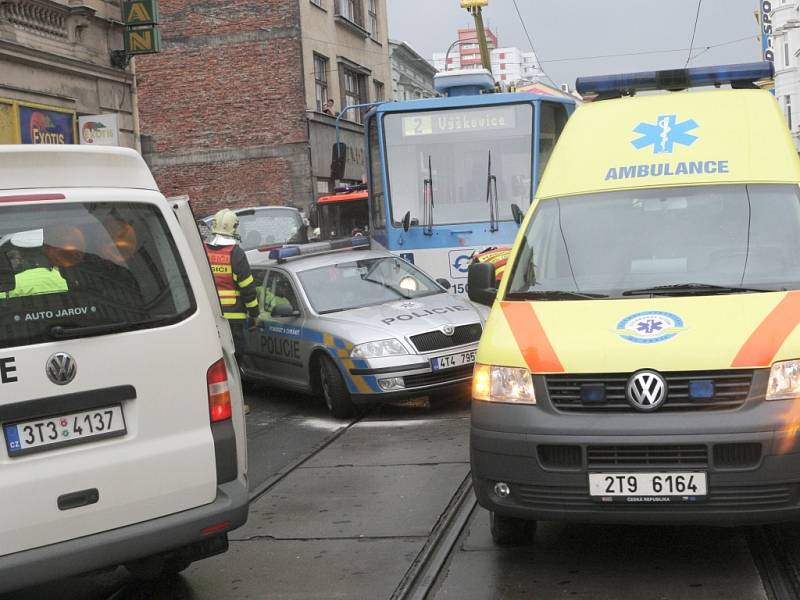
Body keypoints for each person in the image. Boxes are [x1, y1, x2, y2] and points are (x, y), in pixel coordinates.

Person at [204, 208, 259, 415]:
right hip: (234, 319)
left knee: (214, 363)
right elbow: (248, 288)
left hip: (210, 318)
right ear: (233, 227)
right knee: (234, 362)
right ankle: (237, 403)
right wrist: (255, 314)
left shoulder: (204, 250)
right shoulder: (235, 253)